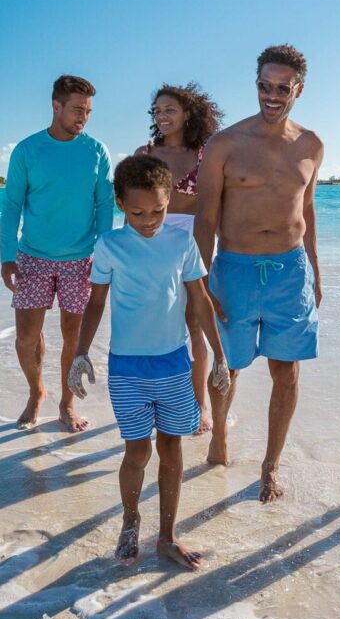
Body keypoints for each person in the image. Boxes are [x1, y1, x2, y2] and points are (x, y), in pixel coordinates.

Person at [69, 155, 229, 569]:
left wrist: (218, 355)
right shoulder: (110, 245)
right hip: (127, 369)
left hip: (174, 365)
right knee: (137, 451)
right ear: (120, 203)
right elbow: (96, 302)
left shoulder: (181, 242)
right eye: (138, 211)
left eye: (158, 210)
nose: (149, 219)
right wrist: (80, 353)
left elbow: (199, 299)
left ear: (169, 200)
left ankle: (168, 535)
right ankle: (130, 520)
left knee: (172, 449)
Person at [193, 44, 323, 502]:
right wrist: (201, 282)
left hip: (291, 270)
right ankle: (219, 438)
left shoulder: (311, 145)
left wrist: (316, 274)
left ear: (298, 90)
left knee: (285, 372)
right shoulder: (225, 144)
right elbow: (205, 218)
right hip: (236, 268)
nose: (272, 96)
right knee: (229, 365)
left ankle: (271, 466)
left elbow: (306, 209)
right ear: (256, 86)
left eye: (282, 88)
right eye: (265, 87)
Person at [0, 75, 114, 431]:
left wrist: (105, 255)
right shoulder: (28, 150)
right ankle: (37, 392)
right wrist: (6, 256)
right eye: (78, 109)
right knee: (26, 337)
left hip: (80, 260)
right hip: (32, 257)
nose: (84, 117)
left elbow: (105, 206)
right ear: (56, 106)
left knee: (74, 336)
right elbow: (11, 205)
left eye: (89, 111)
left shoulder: (97, 151)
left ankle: (66, 404)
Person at [133, 83, 225, 433]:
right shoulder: (144, 153)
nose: (163, 116)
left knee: (195, 324)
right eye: (157, 111)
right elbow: (131, 205)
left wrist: (209, 256)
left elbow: (213, 210)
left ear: (187, 113)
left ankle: (198, 407)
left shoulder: (206, 154)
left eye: (170, 109)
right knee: (155, 326)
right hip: (151, 245)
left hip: (193, 242)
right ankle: (153, 401)